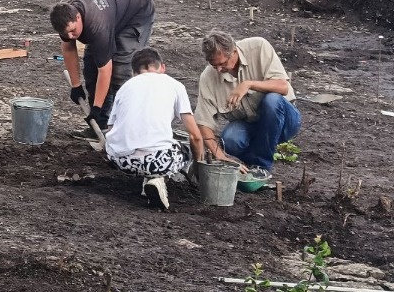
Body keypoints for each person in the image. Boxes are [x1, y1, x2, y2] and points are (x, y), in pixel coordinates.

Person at [104, 48, 204, 211]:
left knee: (148, 143)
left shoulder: (125, 88)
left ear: (134, 73)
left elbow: (110, 129)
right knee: (183, 149)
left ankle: (147, 182)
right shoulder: (174, 85)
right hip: (158, 162)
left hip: (121, 161)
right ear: (162, 68)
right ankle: (158, 180)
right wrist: (199, 169)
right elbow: (195, 136)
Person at [49, 0, 155, 130]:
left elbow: (105, 70)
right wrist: (76, 85)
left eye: (73, 31)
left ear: (78, 17)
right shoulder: (62, 14)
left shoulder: (97, 24)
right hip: (113, 9)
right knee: (91, 69)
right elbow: (68, 47)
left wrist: (96, 108)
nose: (72, 36)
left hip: (137, 11)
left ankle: (128, 127)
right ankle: (101, 125)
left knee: (120, 71)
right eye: (67, 33)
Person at [194, 30, 300, 173]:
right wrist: (220, 156)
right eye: (214, 65)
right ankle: (251, 162)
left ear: (234, 51)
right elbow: (203, 122)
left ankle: (261, 166)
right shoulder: (208, 77)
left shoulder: (259, 47)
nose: (219, 69)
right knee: (230, 139)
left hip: (285, 122)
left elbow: (282, 86)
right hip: (250, 124)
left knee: (272, 100)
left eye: (223, 63)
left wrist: (248, 84)